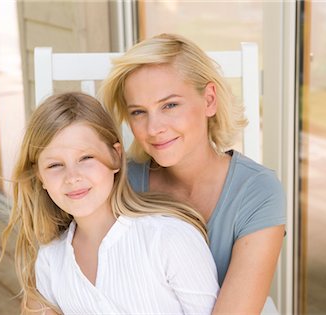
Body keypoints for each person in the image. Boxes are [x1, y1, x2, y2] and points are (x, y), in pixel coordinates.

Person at [100, 33, 287, 314]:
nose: (154, 128)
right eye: (139, 112)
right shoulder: (117, 182)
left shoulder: (257, 191)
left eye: (170, 105)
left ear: (209, 100)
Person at [0, 92, 219, 314]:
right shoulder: (51, 259)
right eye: (55, 165)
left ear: (115, 156)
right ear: (40, 177)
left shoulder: (169, 238)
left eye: (86, 158)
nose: (73, 177)